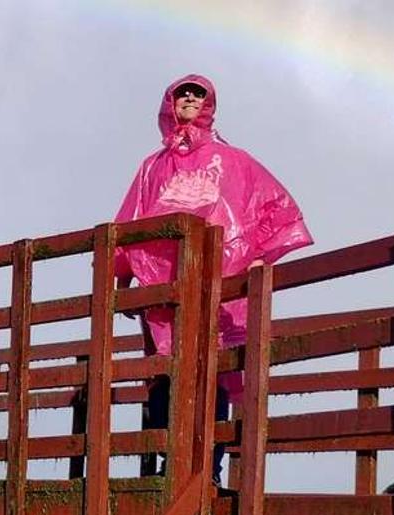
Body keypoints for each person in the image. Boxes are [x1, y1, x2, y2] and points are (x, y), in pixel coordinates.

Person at [113, 75, 311, 475]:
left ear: (209, 104)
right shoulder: (152, 167)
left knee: (213, 374)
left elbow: (270, 205)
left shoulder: (232, 160)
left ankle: (209, 471)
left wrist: (258, 258)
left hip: (216, 288)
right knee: (164, 376)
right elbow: (128, 223)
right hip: (165, 294)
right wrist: (123, 281)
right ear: (169, 102)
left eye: (197, 94)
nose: (189, 98)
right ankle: (169, 468)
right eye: (182, 93)